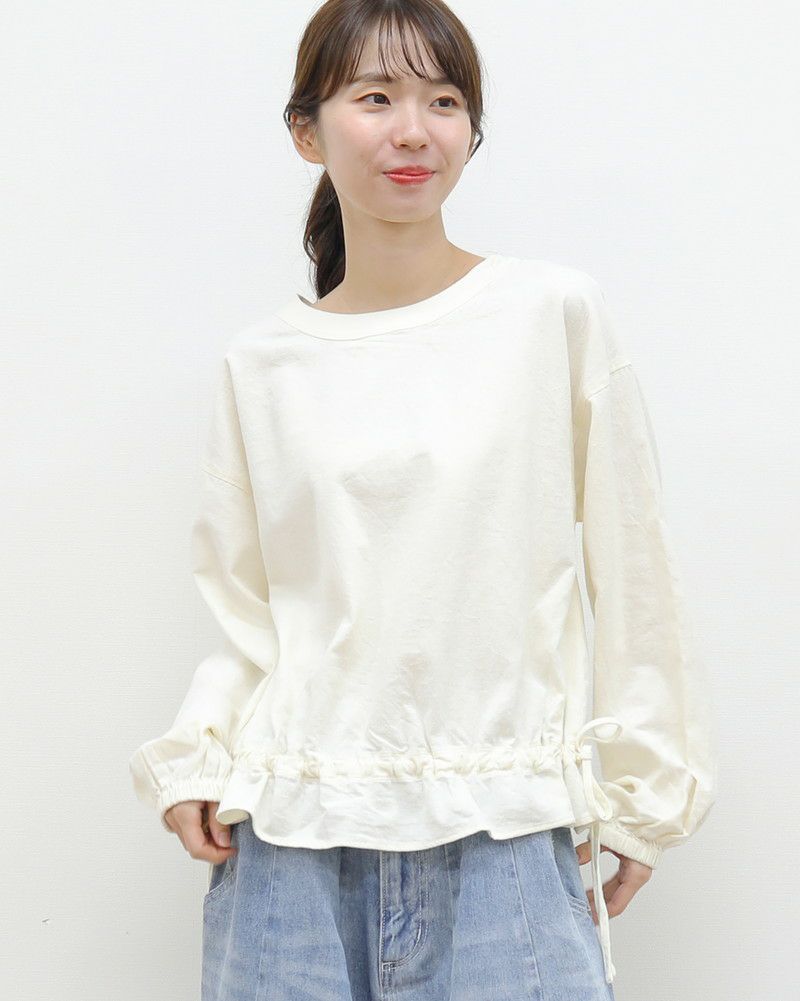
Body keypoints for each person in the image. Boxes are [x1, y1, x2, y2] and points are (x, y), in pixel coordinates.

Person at [129, 1, 718, 997]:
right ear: (306, 130)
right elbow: (247, 610)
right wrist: (200, 753)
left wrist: (643, 788)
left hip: (505, 838)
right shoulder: (262, 363)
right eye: (375, 98)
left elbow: (635, 566)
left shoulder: (549, 314)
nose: (413, 130)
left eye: (443, 102)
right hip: (288, 848)